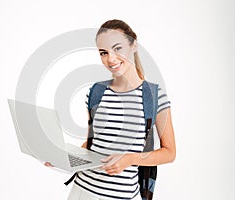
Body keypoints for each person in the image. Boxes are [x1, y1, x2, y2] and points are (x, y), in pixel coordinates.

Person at [45, 19, 176, 200]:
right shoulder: (96, 91)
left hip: (121, 195)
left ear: (134, 45)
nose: (110, 59)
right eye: (103, 52)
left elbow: (169, 153)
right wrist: (64, 159)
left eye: (117, 48)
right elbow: (91, 145)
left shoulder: (155, 96)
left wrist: (130, 159)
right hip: (81, 190)